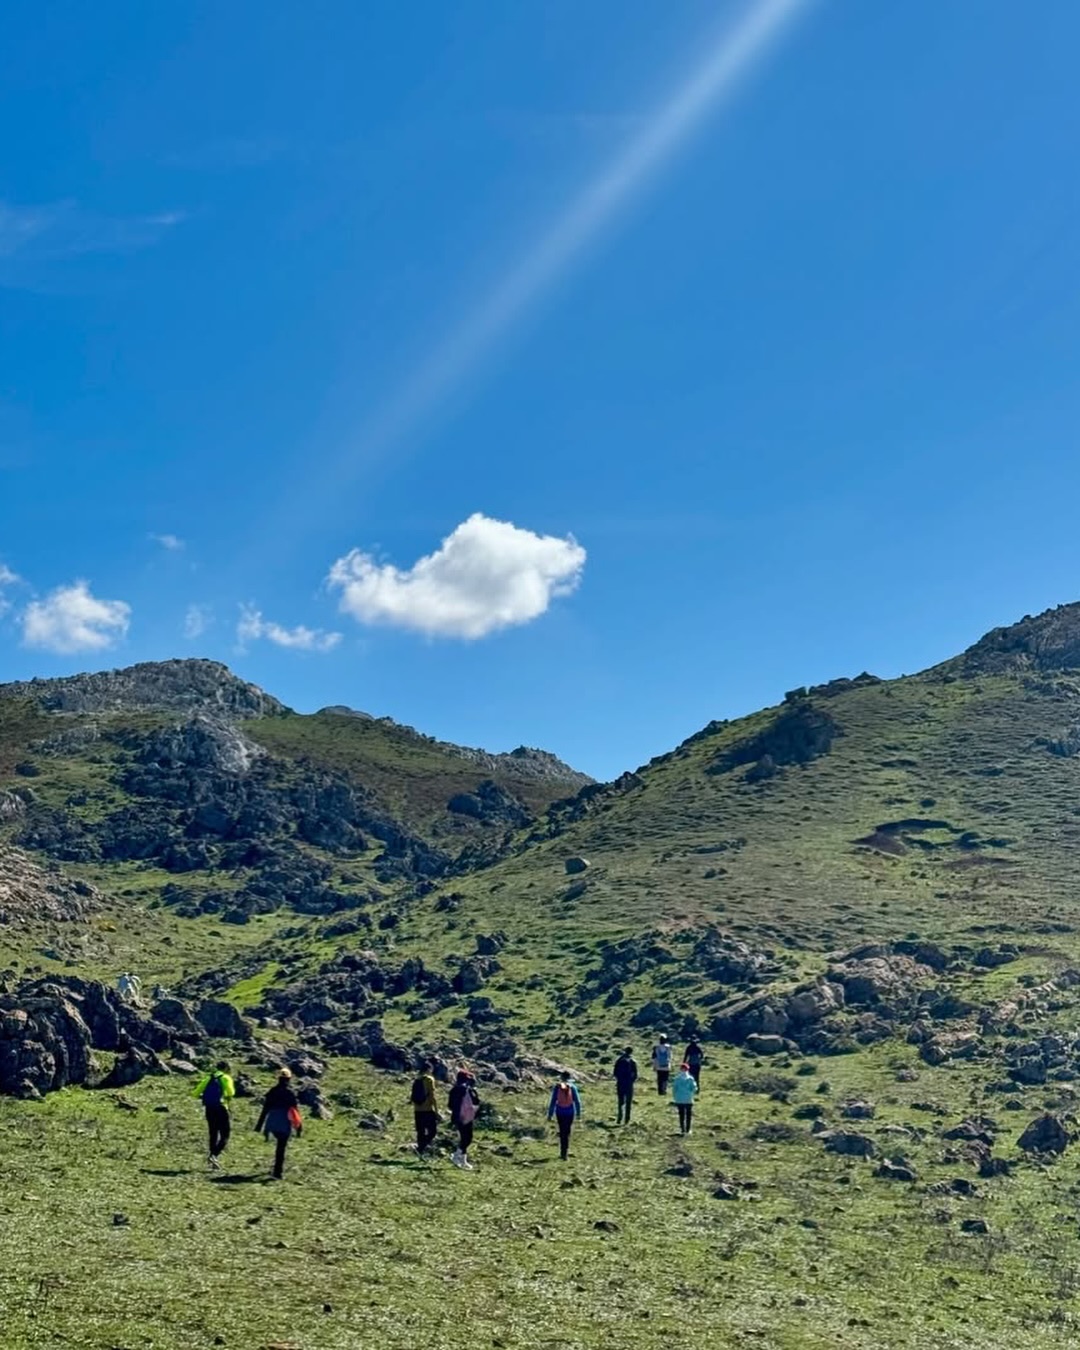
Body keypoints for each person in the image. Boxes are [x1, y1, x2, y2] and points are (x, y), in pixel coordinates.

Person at [255, 1068, 302, 1180]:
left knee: (279, 1145)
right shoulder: (290, 1093)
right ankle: (278, 1172)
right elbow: (295, 1111)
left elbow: (265, 1108)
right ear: (289, 1079)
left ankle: (276, 1170)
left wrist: (259, 1125)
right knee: (281, 1147)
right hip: (284, 1121)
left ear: (279, 1078)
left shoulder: (272, 1091)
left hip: (272, 1120)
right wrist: (299, 1127)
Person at [193, 1059, 236, 1169]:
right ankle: (214, 1155)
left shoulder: (209, 1077)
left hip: (209, 1108)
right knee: (225, 1135)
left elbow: (195, 1093)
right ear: (226, 1068)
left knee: (213, 1133)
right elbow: (231, 1092)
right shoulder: (226, 1078)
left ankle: (213, 1161)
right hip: (221, 1108)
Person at [448, 1069, 480, 1170]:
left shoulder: (453, 1090)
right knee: (467, 1138)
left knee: (464, 1137)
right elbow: (476, 1101)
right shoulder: (467, 1089)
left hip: (457, 1116)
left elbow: (450, 1105)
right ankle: (456, 1156)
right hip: (467, 1116)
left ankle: (463, 1161)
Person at [547, 1071, 582, 1161]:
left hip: (560, 1112)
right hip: (570, 1112)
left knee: (562, 1131)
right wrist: (578, 1114)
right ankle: (565, 1152)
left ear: (561, 1078)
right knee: (567, 1132)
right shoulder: (572, 1087)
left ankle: (562, 1152)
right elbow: (577, 1101)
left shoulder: (557, 1087)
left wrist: (550, 1114)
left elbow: (553, 1101)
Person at [411, 1059, 439, 1156]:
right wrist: (436, 1110)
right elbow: (432, 1096)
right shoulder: (428, 1079)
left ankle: (420, 1150)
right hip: (427, 1109)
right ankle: (421, 1148)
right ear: (429, 1069)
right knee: (432, 1132)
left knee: (420, 1131)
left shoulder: (417, 1079)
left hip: (417, 1110)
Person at [672, 1063, 699, 1135]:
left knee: (681, 1115)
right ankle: (688, 1129)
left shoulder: (677, 1079)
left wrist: (675, 1097)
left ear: (680, 1069)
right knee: (688, 1115)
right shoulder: (690, 1079)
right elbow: (694, 1088)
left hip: (679, 1099)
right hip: (688, 1099)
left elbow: (674, 1089)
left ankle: (682, 1129)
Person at [613, 1047, 638, 1125]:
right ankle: (627, 1119)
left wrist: (619, 1079)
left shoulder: (619, 1060)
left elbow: (615, 1072)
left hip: (620, 1083)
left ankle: (619, 1117)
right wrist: (631, 1081)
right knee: (628, 1102)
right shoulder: (633, 1062)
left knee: (620, 1101)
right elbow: (636, 1075)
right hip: (629, 1084)